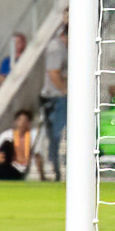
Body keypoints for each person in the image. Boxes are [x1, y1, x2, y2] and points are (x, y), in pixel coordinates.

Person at [0, 109, 43, 181]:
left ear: (29, 123)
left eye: (25, 121)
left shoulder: (33, 136)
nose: (22, 123)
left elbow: (38, 155)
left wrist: (42, 176)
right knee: (7, 144)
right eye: (20, 120)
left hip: (22, 169)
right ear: (16, 122)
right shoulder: (7, 135)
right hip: (8, 164)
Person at [41, 23, 66, 182]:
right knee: (57, 135)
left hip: (60, 97)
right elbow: (53, 73)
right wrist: (67, 91)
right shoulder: (57, 47)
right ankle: (55, 169)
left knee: (59, 134)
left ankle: (58, 168)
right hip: (56, 97)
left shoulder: (64, 46)